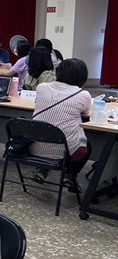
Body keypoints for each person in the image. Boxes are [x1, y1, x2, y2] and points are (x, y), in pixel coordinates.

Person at [30, 59, 93, 190]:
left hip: (34, 146)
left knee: (48, 132)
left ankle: (42, 170)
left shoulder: (41, 88)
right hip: (66, 152)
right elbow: (86, 111)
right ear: (83, 76)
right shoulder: (83, 95)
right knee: (87, 146)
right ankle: (70, 176)